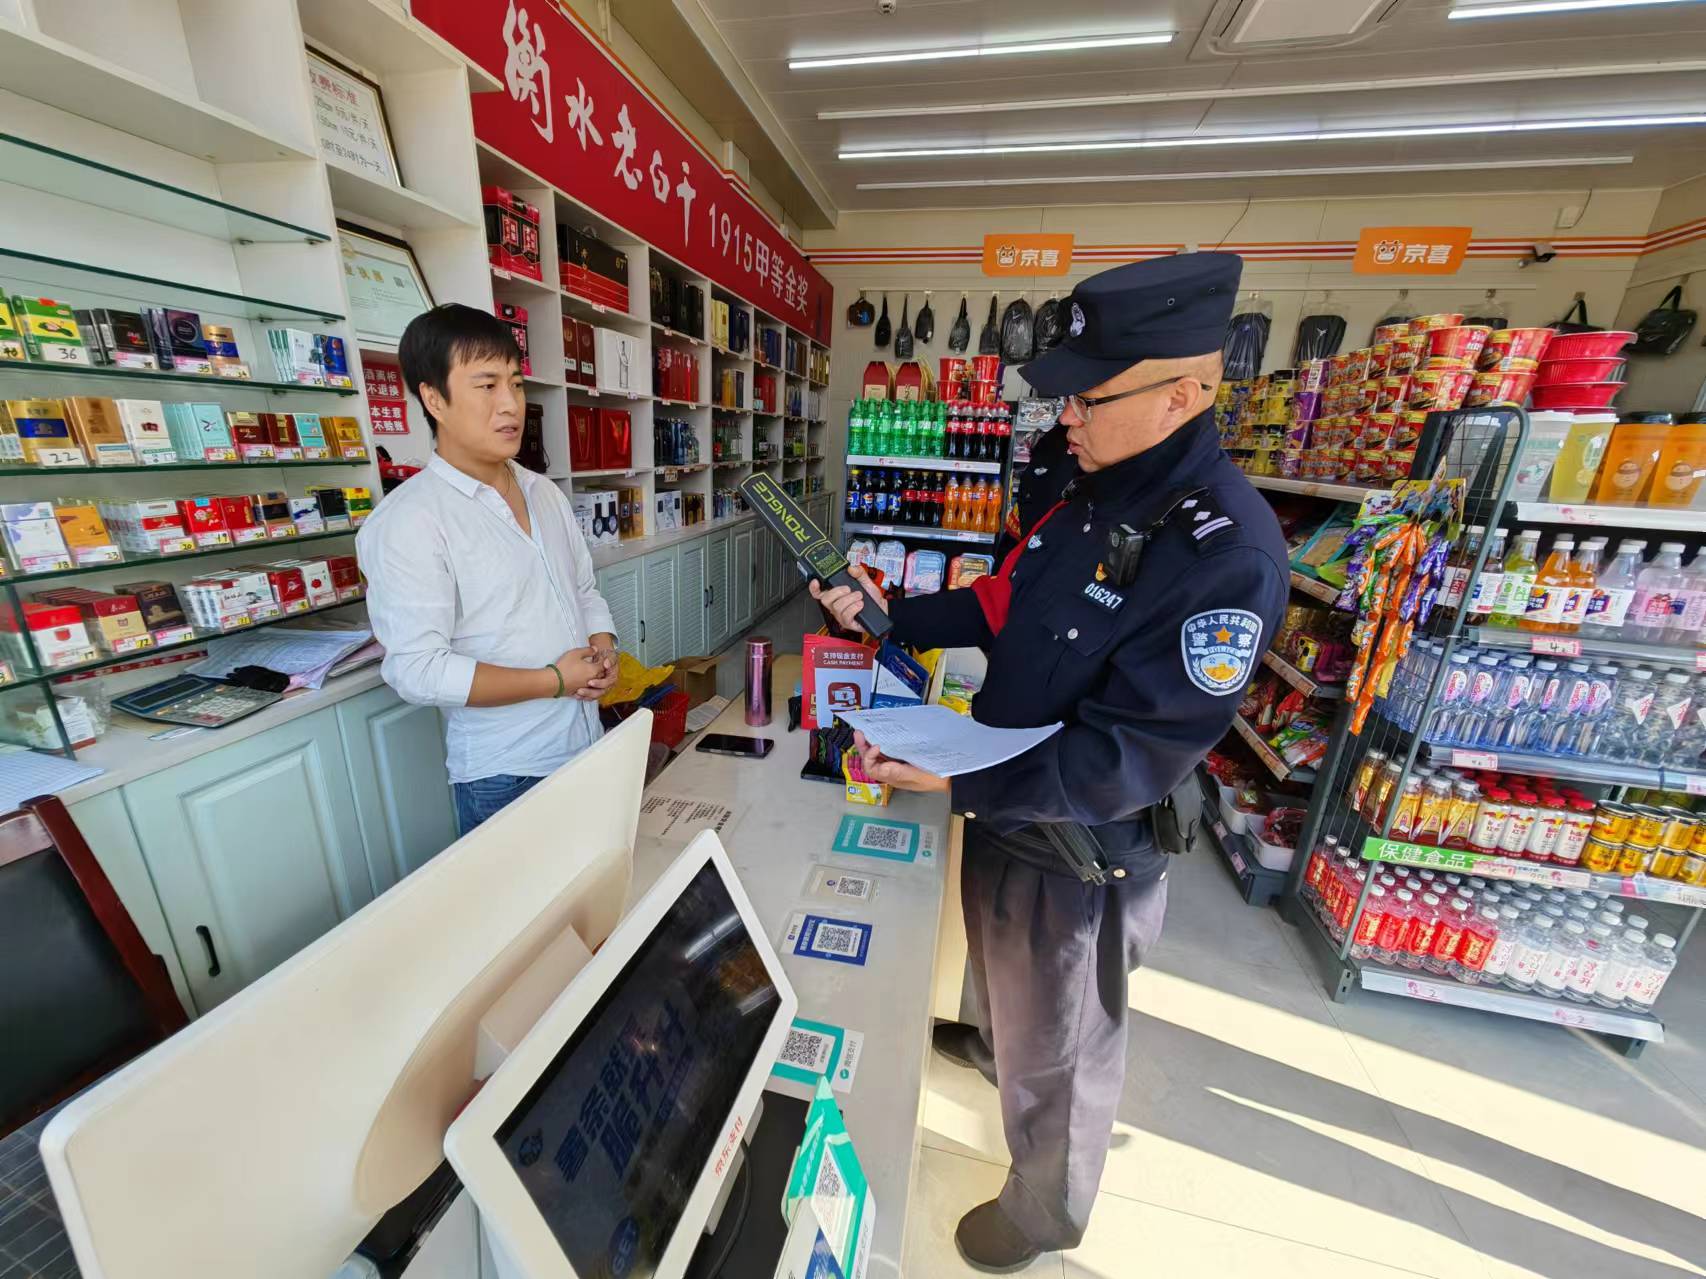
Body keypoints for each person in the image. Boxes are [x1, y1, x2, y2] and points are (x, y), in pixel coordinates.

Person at [812, 253, 1288, 1272]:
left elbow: (1132, 754)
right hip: (1003, 794)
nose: (1063, 414)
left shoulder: (1223, 552)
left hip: (1080, 843)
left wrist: (961, 778)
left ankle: (1044, 1210)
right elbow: (1005, 602)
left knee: (1064, 1048)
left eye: (1087, 395)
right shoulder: (1086, 490)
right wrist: (895, 616)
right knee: (996, 969)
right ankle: (994, 1045)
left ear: (1180, 395)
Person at [357, 304, 619, 836]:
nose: (510, 404)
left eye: (516, 384)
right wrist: (553, 681)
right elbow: (418, 669)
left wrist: (604, 648)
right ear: (434, 398)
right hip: (507, 773)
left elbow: (582, 589)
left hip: (586, 740)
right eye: (486, 385)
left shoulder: (543, 492)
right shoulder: (410, 520)